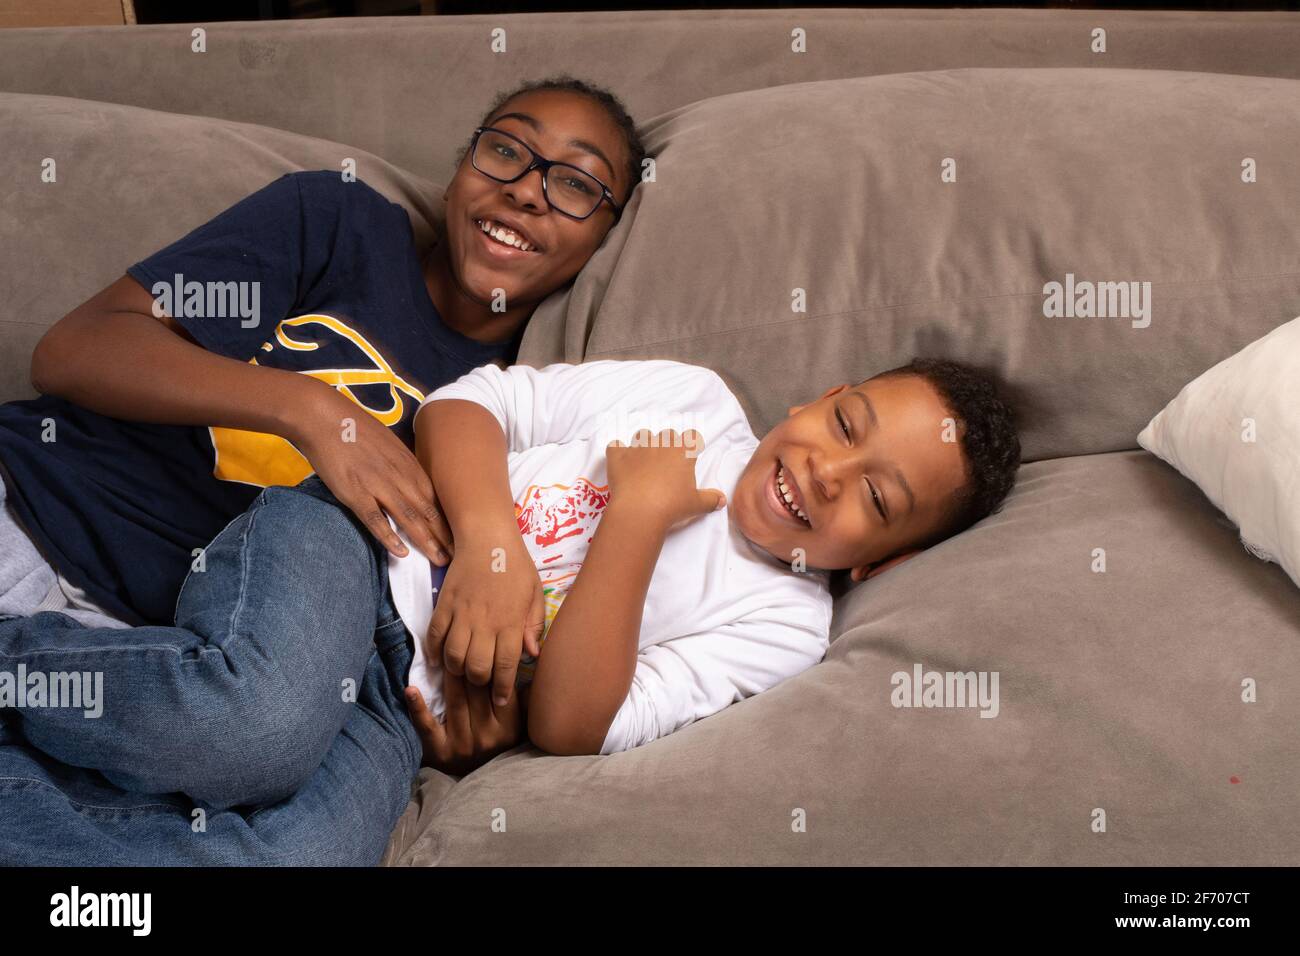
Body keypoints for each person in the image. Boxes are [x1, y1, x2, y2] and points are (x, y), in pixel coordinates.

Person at [0, 354, 1020, 864]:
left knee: (302, 854)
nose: (826, 473)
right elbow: (464, 403)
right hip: (361, 545)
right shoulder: (694, 401)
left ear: (886, 561)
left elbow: (577, 721)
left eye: (877, 499)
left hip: (405, 714)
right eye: (844, 424)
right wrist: (492, 544)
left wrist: (638, 517)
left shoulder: (786, 628)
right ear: (817, 398)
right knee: (253, 723)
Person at [0, 76, 646, 864]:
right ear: (462, 164)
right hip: (31, 511)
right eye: (506, 149)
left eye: (575, 183)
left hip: (157, 672)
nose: (526, 191)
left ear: (609, 236)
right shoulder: (338, 227)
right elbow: (75, 348)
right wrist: (313, 412)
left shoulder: (528, 411)